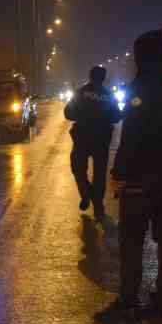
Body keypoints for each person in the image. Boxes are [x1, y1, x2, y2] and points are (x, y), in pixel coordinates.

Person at [96, 30, 162, 324]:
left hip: (141, 176)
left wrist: (120, 172)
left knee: (132, 239)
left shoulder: (142, 87)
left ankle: (128, 302)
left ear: (142, 55)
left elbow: (133, 135)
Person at [63, 65, 122, 219]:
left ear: (90, 77)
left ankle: (85, 194)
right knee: (100, 173)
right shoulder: (109, 95)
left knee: (78, 168)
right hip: (101, 140)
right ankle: (98, 205)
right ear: (103, 78)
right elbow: (116, 116)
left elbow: (68, 113)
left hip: (82, 138)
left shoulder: (81, 92)